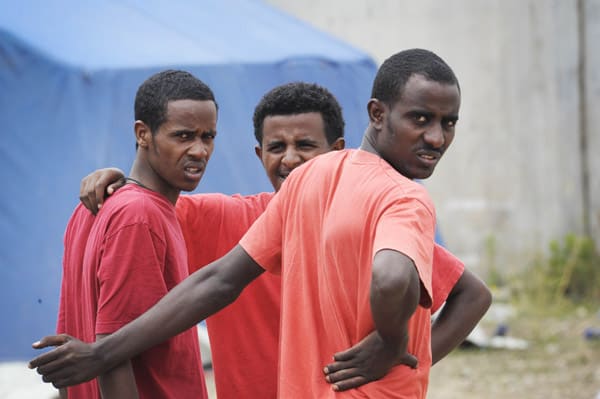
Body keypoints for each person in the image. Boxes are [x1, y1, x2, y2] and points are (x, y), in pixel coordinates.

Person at [30, 50, 488, 397]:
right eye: (422, 119)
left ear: (336, 145)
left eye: (448, 123)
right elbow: (152, 211)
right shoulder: (398, 197)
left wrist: (403, 354)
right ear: (377, 114)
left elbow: (217, 279)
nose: (435, 137)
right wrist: (392, 343)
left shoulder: (315, 188)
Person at [52, 70, 217, 398]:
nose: (199, 150)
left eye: (208, 136)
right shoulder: (138, 216)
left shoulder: (94, 205)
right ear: (143, 134)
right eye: (183, 136)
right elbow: (112, 352)